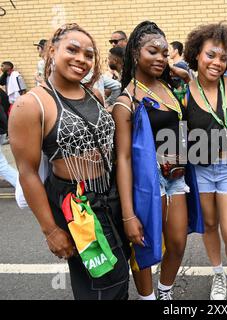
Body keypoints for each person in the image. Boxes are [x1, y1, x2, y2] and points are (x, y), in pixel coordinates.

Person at [8, 23, 131, 300]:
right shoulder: (33, 104)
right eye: (72, 50)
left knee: (119, 275)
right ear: (52, 51)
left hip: (110, 194)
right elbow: (27, 172)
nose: (81, 59)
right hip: (77, 205)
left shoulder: (94, 95)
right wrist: (51, 230)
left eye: (88, 55)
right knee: (103, 283)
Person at [113, 21, 200, 301]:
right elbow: (123, 159)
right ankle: (147, 297)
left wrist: (183, 76)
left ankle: (164, 292)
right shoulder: (127, 101)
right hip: (149, 181)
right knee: (146, 245)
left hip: (177, 177)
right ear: (135, 53)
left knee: (177, 242)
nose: (161, 58)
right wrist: (128, 214)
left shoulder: (167, 88)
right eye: (153, 51)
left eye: (165, 53)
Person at [183, 22, 227, 300]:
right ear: (197, 53)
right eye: (211, 55)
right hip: (200, 167)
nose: (217, 62)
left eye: (223, 57)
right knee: (209, 225)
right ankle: (218, 275)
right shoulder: (183, 91)